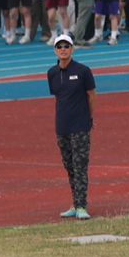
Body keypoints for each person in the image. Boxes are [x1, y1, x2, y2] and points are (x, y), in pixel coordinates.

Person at [47, 34, 95, 218]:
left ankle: (81, 206)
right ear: (55, 50)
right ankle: (75, 203)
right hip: (62, 127)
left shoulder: (83, 71)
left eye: (66, 46)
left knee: (80, 166)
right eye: (59, 46)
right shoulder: (52, 73)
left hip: (80, 126)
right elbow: (58, 96)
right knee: (69, 166)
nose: (63, 49)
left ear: (72, 49)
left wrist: (89, 118)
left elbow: (91, 96)